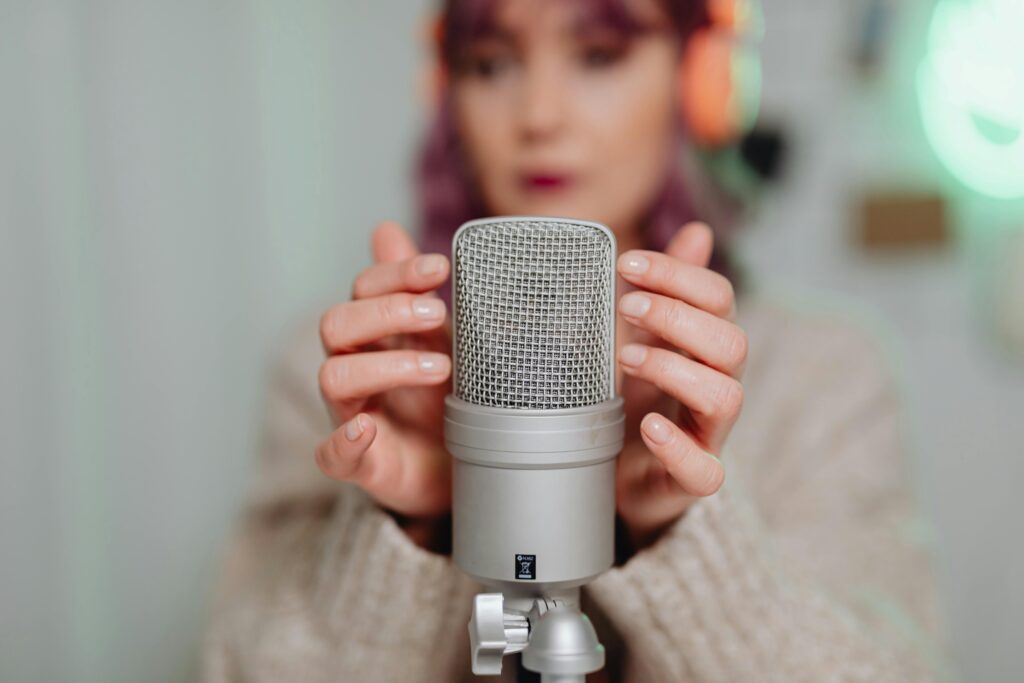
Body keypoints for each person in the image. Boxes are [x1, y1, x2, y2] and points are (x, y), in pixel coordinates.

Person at [199, 0, 950, 681]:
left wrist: (679, 528)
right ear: (447, 94)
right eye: (490, 62)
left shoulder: (824, 374)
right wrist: (412, 518)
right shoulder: (344, 371)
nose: (539, 115)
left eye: (598, 54)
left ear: (695, 79)